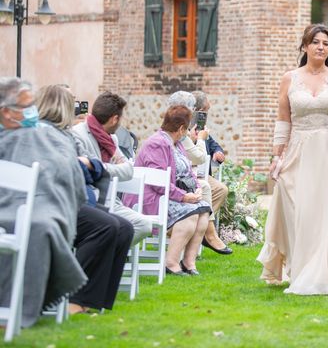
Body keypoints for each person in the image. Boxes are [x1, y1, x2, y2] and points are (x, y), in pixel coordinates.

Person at [257, 23, 328, 295]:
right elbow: (283, 119)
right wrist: (277, 155)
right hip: (299, 150)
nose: (321, 47)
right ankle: (301, 266)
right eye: (315, 42)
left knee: (325, 210)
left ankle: (325, 269)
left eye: (326, 43)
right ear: (305, 46)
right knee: (297, 207)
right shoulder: (290, 78)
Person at [35, 84, 134, 314]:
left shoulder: (67, 135)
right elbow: (72, 169)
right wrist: (91, 167)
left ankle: (92, 299)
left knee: (124, 228)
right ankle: (72, 295)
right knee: (108, 226)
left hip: (78, 197)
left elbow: (88, 167)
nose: (76, 109)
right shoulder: (54, 134)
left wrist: (93, 166)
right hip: (58, 202)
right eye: (71, 103)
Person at [0, 78, 87, 327]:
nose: (33, 112)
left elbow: (67, 175)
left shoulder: (43, 137)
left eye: (33, 106)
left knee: (40, 227)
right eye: (27, 106)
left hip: (43, 206)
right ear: (6, 111)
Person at [124, 105, 211, 276]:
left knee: (204, 211)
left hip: (167, 196)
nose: (187, 133)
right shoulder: (157, 143)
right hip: (148, 199)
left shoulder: (176, 144)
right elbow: (158, 183)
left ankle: (188, 262)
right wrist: (184, 197)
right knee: (191, 213)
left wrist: (198, 189)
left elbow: (188, 172)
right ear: (180, 129)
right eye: (186, 129)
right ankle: (170, 262)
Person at [72, 91, 152, 245]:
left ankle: (105, 255)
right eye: (121, 118)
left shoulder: (111, 139)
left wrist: (100, 167)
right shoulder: (78, 134)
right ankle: (101, 257)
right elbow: (88, 169)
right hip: (90, 199)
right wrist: (103, 167)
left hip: (111, 199)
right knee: (114, 226)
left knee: (144, 225)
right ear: (115, 119)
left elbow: (128, 170)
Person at [191, 90, 232, 255]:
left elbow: (213, 143)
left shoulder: (203, 129)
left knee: (221, 189)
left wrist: (218, 153)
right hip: (189, 172)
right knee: (208, 188)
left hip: (202, 174)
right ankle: (207, 233)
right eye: (205, 111)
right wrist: (196, 138)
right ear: (197, 110)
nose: (206, 114)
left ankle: (200, 225)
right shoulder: (185, 127)